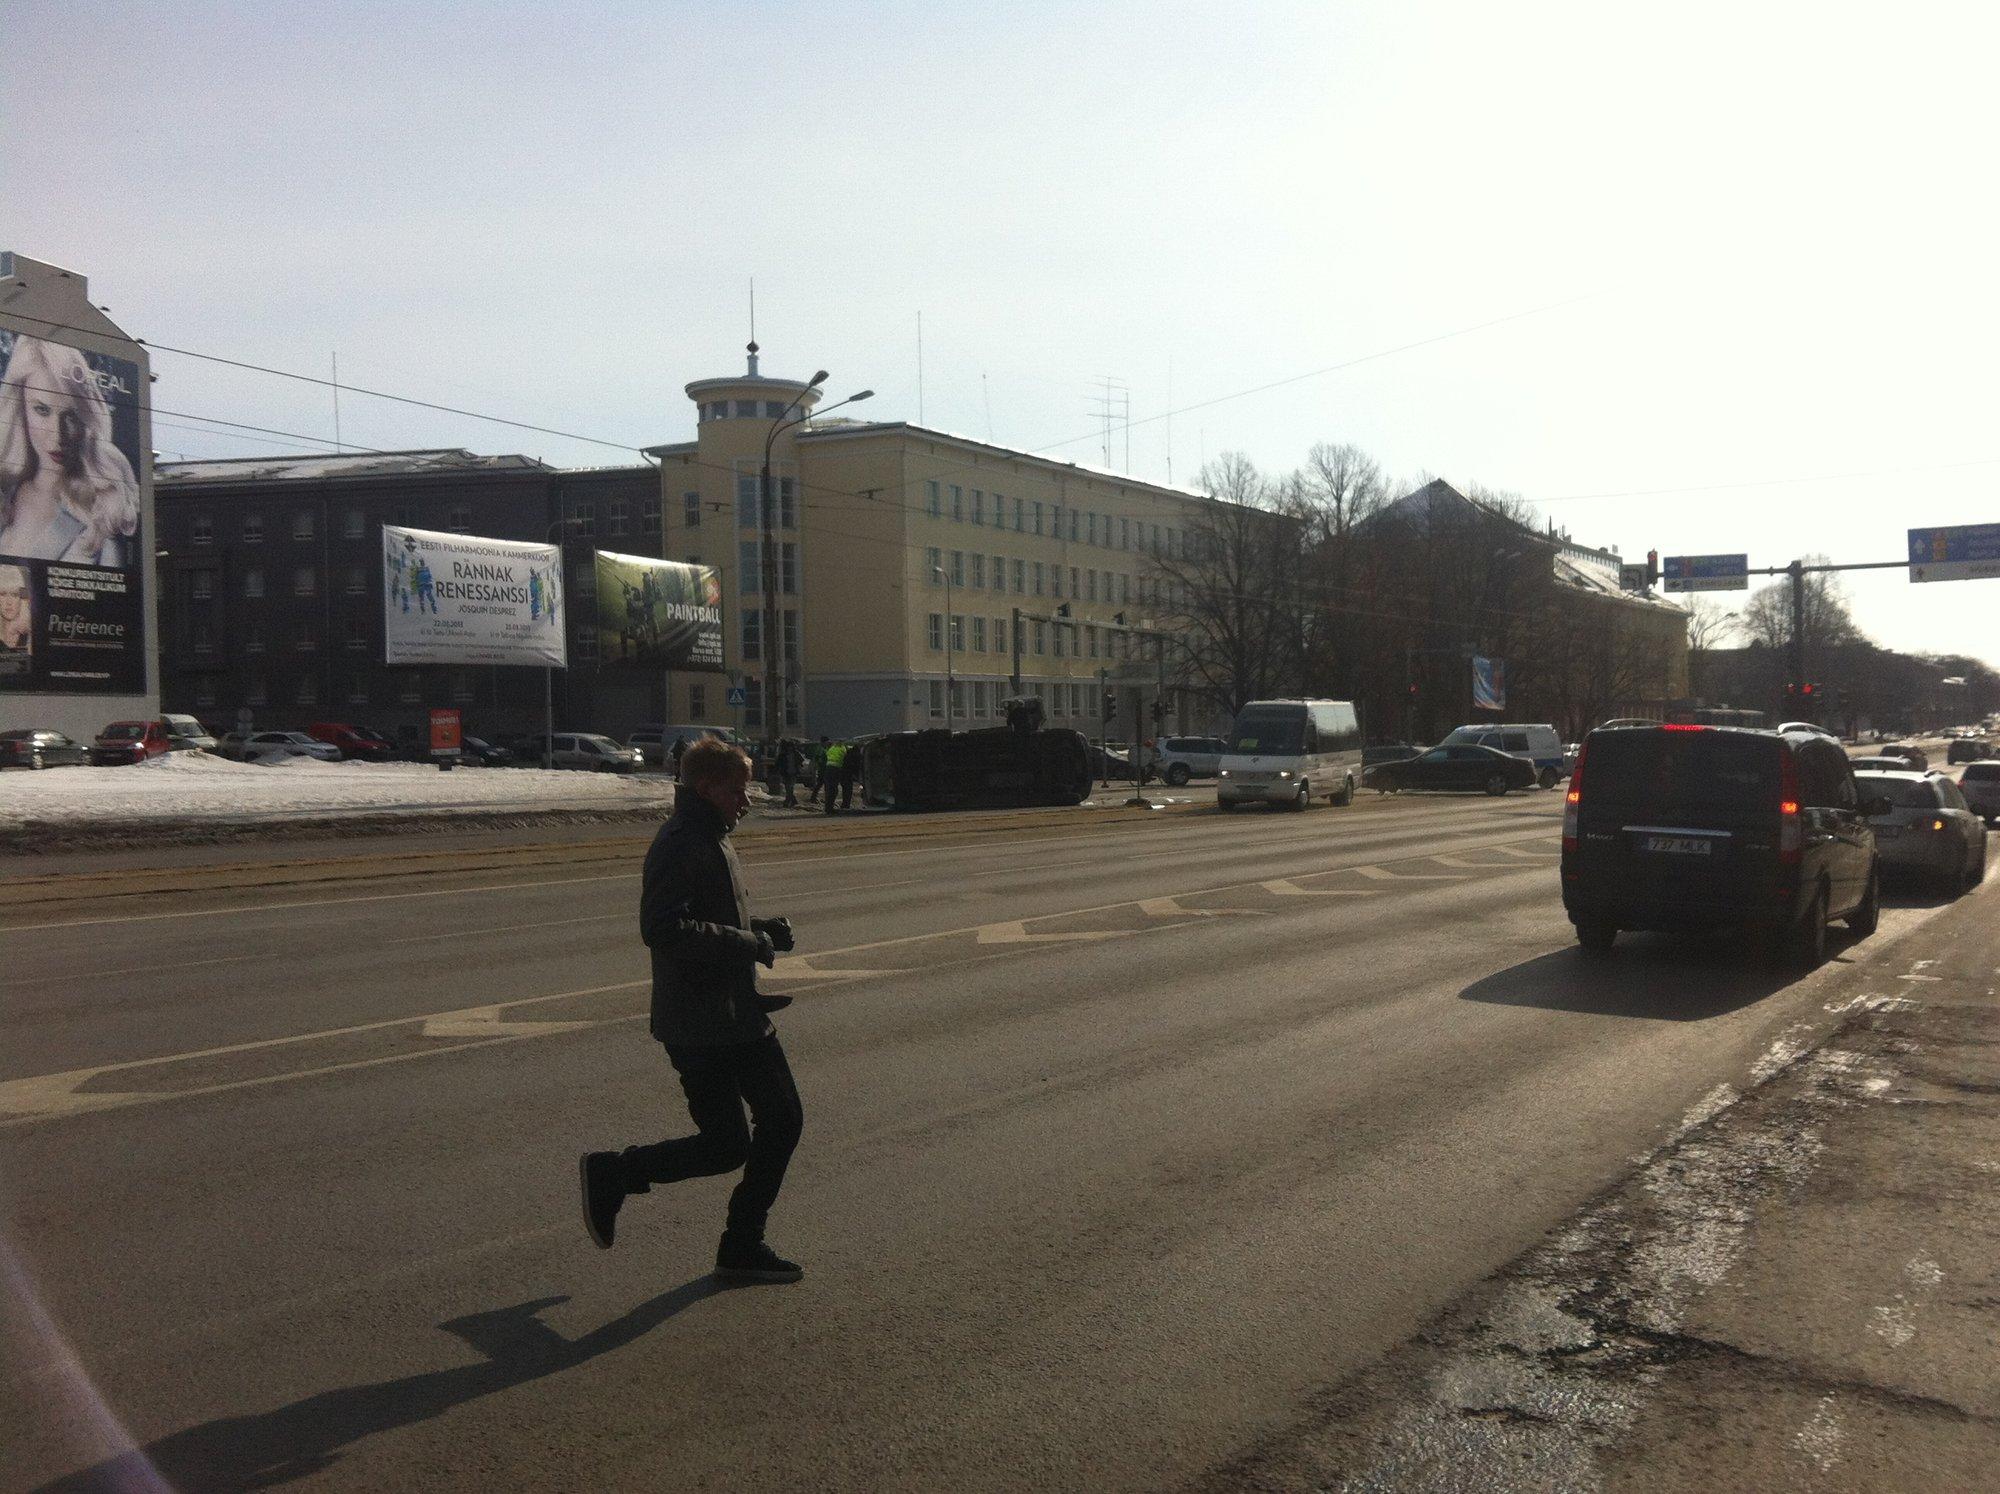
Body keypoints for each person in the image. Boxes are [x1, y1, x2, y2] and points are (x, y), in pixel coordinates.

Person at [579, 738, 806, 1281]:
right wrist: (745, 943)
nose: (745, 801)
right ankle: (622, 1175)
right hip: (702, 1023)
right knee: (744, 1138)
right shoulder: (682, 841)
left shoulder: (712, 835)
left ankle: (736, 1242)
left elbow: (708, 918)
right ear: (705, 788)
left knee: (760, 1130)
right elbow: (662, 929)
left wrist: (759, 929)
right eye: (737, 790)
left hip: (732, 1015)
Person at [0, 334, 141, 566]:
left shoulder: (100, 520)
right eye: (42, 410)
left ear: (87, 418)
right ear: (20, 408)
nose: (58, 436)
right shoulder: (6, 493)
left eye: (72, 416)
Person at [822, 739, 848, 815]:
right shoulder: (843, 748)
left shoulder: (832, 748)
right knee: (833, 790)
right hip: (836, 769)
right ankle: (830, 809)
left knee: (829, 789)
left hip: (828, 769)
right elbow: (845, 757)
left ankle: (828, 808)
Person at [777, 737, 801, 808]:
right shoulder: (783, 754)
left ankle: (787, 802)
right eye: (789, 747)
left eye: (791, 747)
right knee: (788, 788)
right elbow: (778, 763)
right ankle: (793, 801)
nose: (790, 748)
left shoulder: (796, 753)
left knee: (790, 788)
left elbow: (800, 760)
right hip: (786, 773)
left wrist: (798, 766)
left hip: (793, 773)